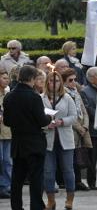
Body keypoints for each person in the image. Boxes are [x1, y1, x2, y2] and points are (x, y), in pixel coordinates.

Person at [3, 65, 51, 210]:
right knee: (36, 177)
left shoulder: (9, 96)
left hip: (18, 143)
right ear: (31, 78)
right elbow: (42, 121)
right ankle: (36, 205)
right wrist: (49, 117)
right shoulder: (34, 97)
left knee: (17, 178)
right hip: (34, 143)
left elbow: (7, 121)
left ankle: (16, 206)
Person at [42, 70, 78, 210]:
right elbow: (37, 118)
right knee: (49, 171)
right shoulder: (41, 98)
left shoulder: (67, 98)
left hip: (65, 140)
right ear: (47, 83)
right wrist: (46, 124)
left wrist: (62, 121)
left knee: (68, 170)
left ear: (60, 83)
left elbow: (74, 116)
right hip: (48, 139)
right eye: (51, 81)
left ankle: (69, 200)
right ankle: (51, 201)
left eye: (57, 81)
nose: (53, 84)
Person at [62, 69, 93, 192]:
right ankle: (74, 181)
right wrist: (79, 127)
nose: (74, 82)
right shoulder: (63, 93)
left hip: (82, 127)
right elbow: (67, 112)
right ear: (64, 82)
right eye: (70, 80)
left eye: (75, 79)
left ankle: (79, 180)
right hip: (72, 128)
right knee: (73, 156)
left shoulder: (76, 92)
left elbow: (83, 110)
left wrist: (85, 125)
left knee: (81, 155)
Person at [80, 67, 97, 190]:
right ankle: (92, 181)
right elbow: (88, 109)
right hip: (94, 129)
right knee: (93, 158)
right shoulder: (85, 91)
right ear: (91, 78)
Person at [0, 69, 10, 198]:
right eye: (3, 78)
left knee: (8, 160)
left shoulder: (8, 93)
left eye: (7, 78)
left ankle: (7, 186)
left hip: (8, 131)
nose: (6, 80)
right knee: (1, 159)